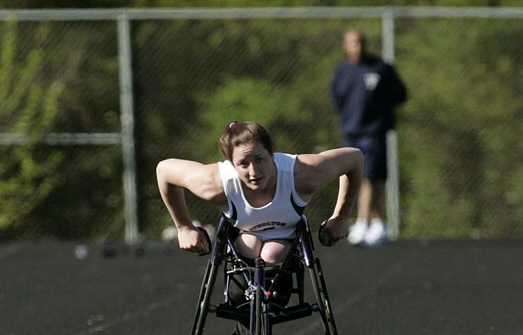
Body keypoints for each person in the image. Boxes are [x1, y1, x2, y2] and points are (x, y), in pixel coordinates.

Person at [156, 121, 364, 261]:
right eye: (243, 164)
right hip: (244, 235)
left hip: (286, 236)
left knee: (272, 254)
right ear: (232, 164)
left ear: (272, 154)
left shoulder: (303, 174)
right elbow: (164, 170)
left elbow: (355, 158)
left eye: (259, 160)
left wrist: (341, 217)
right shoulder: (215, 183)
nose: (254, 171)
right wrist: (184, 227)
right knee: (251, 247)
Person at [331, 29, 408, 247]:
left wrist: (381, 114)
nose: (358, 47)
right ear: (345, 46)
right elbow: (337, 99)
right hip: (350, 132)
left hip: (373, 132)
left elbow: (399, 95)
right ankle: (377, 223)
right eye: (353, 43)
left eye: (362, 42)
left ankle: (362, 222)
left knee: (368, 177)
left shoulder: (381, 68)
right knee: (352, 177)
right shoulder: (342, 71)